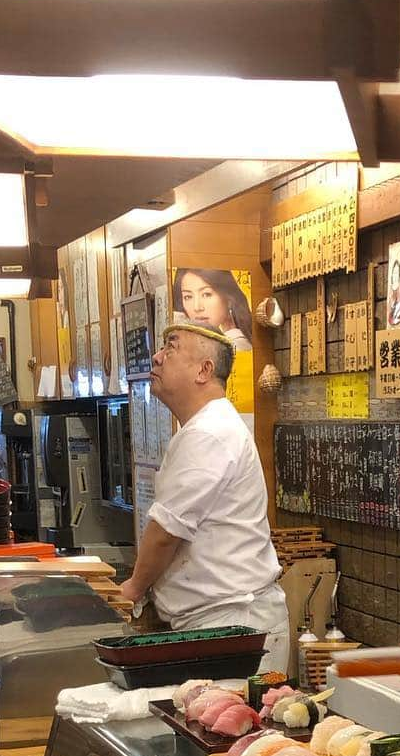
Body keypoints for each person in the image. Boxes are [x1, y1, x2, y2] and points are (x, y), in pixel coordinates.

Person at [118, 318, 288, 670]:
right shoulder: (203, 427)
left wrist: (132, 590)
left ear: (204, 370)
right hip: (223, 622)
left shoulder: (209, 432)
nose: (156, 357)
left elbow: (167, 532)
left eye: (171, 347)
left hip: (232, 624)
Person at [173, 269, 253, 352]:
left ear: (228, 298)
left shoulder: (237, 345)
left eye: (206, 294)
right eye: (188, 297)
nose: (197, 307)